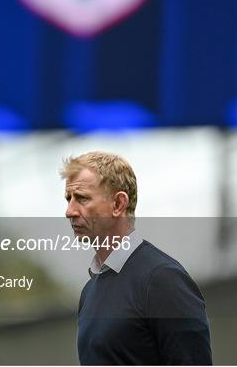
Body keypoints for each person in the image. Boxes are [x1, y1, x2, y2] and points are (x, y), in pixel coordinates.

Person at [60, 151, 212, 365]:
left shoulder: (162, 279)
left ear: (118, 204)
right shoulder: (89, 291)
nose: (69, 211)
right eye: (68, 199)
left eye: (82, 198)